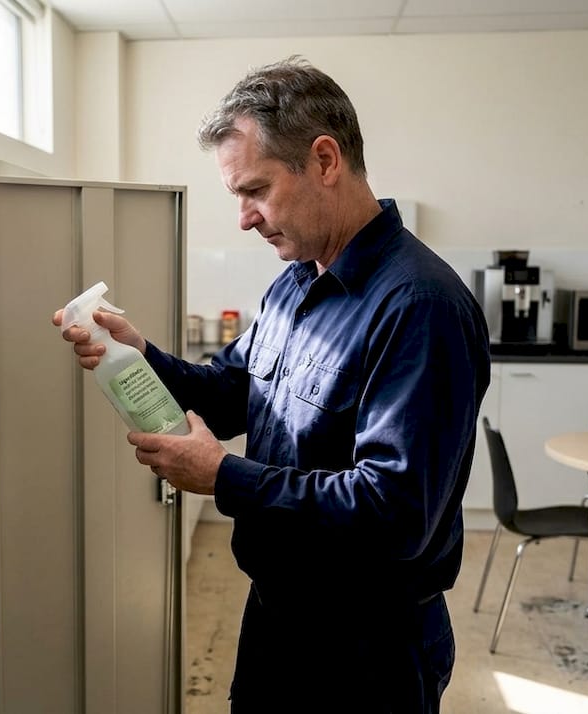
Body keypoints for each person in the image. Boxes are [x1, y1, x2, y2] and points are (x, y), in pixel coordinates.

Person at [56, 56, 490, 713]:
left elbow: (394, 513)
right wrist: (138, 354)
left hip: (368, 650)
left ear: (324, 160)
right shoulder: (295, 283)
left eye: (254, 190)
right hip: (276, 618)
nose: (244, 218)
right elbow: (233, 392)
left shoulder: (420, 305)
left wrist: (223, 477)